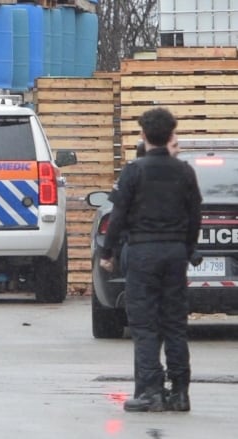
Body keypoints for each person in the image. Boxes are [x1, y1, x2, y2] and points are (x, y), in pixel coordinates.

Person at [99, 107, 201, 412]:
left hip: (143, 253)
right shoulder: (185, 171)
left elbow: (117, 217)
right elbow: (195, 216)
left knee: (145, 325)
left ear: (143, 135)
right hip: (174, 254)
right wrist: (186, 247)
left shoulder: (134, 171)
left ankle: (150, 391)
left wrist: (108, 252)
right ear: (172, 134)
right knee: (174, 324)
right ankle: (180, 392)